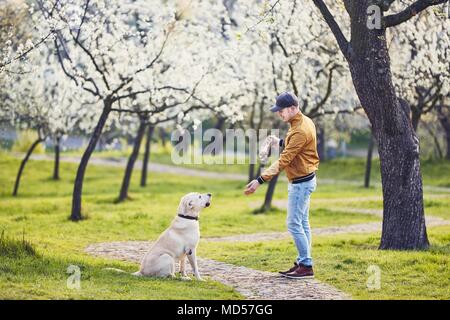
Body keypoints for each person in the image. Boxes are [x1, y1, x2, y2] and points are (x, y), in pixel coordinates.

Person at [244, 92, 320, 279]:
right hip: (305, 179)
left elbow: (284, 159)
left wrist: (259, 180)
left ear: (293, 108)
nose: (279, 114)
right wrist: (273, 140)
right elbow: (292, 143)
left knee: (293, 223)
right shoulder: (302, 122)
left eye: (282, 110)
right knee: (302, 223)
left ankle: (306, 265)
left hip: (301, 183)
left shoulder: (300, 129)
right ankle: (303, 261)